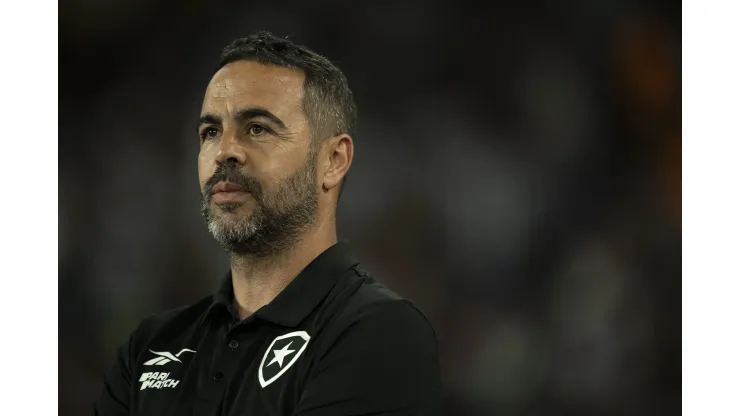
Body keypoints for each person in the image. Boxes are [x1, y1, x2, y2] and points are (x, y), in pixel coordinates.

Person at [94, 31, 443, 416]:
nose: (224, 151)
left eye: (257, 128)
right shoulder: (150, 346)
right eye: (210, 132)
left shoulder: (380, 332)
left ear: (333, 160)